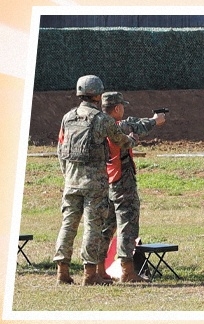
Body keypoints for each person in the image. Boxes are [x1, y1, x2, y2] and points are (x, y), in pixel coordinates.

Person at [54, 75, 137, 286]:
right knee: (92, 226)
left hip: (71, 181)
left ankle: (62, 271)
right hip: (95, 184)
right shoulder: (102, 119)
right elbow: (120, 140)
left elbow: (60, 149)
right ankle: (90, 275)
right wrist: (132, 140)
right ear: (98, 95)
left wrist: (68, 175)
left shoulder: (68, 117)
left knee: (68, 225)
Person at [98, 91, 166, 283]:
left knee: (106, 226)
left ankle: (99, 269)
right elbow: (137, 125)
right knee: (127, 224)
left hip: (105, 180)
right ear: (117, 108)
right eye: (122, 106)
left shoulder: (97, 125)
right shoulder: (118, 126)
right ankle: (127, 271)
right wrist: (155, 120)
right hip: (122, 180)